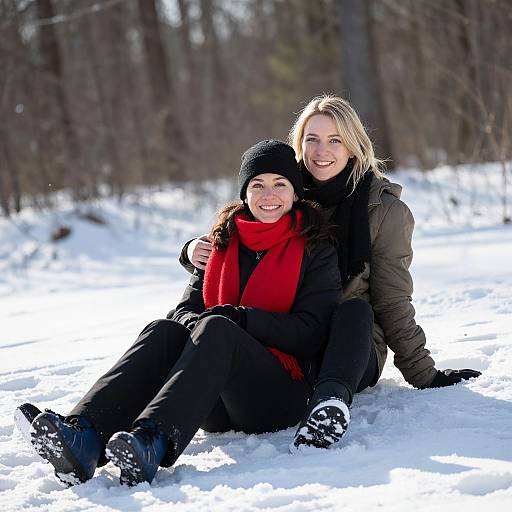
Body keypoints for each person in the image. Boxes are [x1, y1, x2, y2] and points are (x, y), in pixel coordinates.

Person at [13, 140, 341, 486]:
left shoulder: (315, 247)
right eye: (257, 185)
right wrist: (201, 325)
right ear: (245, 193)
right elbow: (184, 310)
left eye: (280, 184)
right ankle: (84, 437)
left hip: (278, 394)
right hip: (212, 398)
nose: (268, 194)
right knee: (164, 330)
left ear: (294, 193)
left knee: (218, 326)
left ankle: (150, 442)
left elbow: (313, 332)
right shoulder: (222, 242)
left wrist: (242, 320)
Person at [178, 95, 481, 452]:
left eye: (335, 140)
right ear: (299, 145)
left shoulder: (384, 212)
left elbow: (392, 300)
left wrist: (424, 374)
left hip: (346, 345)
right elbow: (241, 244)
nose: (322, 151)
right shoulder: (283, 190)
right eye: (312, 139)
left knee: (354, 310)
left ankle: (327, 408)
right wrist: (191, 252)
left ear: (353, 147)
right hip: (284, 335)